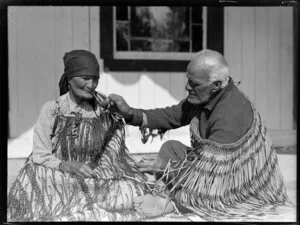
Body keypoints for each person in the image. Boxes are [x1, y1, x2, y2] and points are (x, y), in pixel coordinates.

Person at [108, 49, 289, 220]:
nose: (187, 87)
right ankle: (166, 193)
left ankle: (171, 204)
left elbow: (212, 179)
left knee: (203, 192)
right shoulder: (206, 95)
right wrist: (130, 113)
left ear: (216, 85)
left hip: (236, 181)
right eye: (188, 80)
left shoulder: (230, 114)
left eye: (194, 84)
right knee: (171, 148)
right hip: (209, 164)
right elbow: (172, 115)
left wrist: (164, 167)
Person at [7, 50, 149, 221]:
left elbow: (111, 154)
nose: (91, 84)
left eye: (95, 78)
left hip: (94, 176)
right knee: (34, 183)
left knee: (129, 188)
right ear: (69, 78)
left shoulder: (105, 111)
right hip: (59, 174)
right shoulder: (53, 110)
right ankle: (83, 206)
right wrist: (66, 165)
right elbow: (40, 155)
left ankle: (78, 206)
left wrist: (101, 172)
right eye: (85, 78)